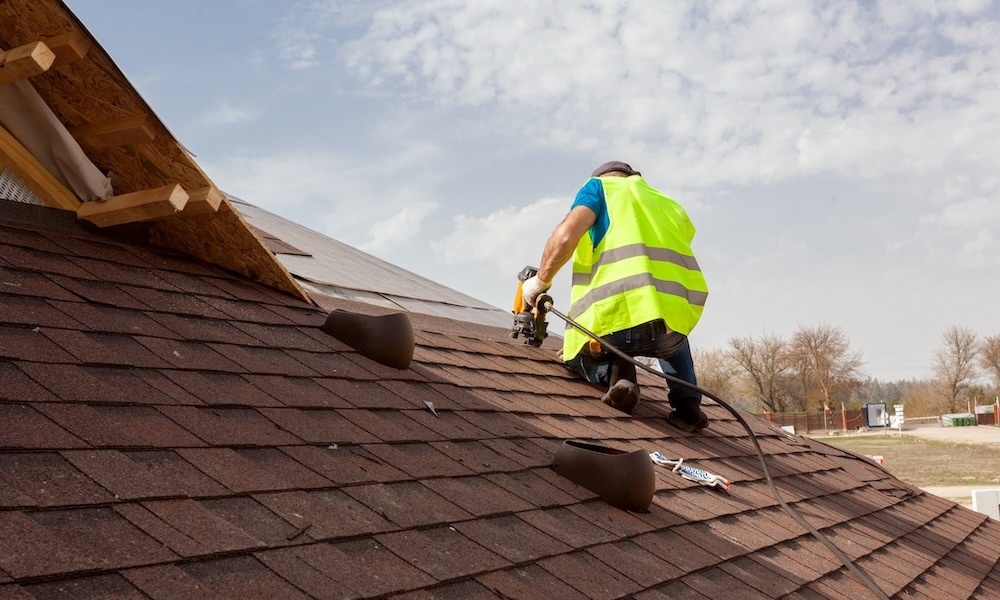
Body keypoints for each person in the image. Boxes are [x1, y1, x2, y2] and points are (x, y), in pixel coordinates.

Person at [521, 161, 710, 432]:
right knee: (671, 330)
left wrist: (540, 282)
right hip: (672, 326)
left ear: (604, 177)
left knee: (577, 354)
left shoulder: (599, 188)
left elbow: (565, 237)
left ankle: (620, 377)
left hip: (617, 322)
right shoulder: (666, 202)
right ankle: (688, 404)